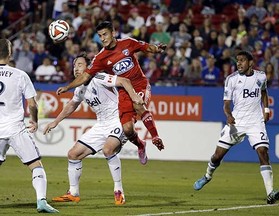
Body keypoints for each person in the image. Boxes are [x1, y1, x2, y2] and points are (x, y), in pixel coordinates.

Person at [44, 53, 144, 205]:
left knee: (108, 149)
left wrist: (135, 97)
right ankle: (73, 192)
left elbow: (124, 80)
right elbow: (72, 105)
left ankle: (119, 191)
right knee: (73, 154)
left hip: (118, 120)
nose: (76, 69)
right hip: (101, 124)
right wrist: (55, 122)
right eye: (74, 66)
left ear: (88, 66)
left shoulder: (99, 77)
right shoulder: (79, 89)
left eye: (79, 65)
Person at [56, 21, 165, 159]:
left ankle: (155, 137)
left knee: (138, 104)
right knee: (127, 129)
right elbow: (85, 76)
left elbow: (146, 47)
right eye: (100, 36)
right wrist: (67, 87)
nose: (103, 38)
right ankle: (140, 145)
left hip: (139, 84)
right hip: (122, 90)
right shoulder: (100, 58)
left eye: (105, 34)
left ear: (113, 33)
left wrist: (156, 49)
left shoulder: (128, 43)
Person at [193, 50, 279, 204]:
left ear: (250, 62)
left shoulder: (260, 76)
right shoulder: (231, 79)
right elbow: (226, 103)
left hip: (255, 122)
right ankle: (207, 176)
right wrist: (228, 115)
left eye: (242, 60)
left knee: (263, 152)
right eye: (237, 61)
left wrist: (266, 110)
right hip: (236, 122)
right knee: (217, 156)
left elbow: (264, 92)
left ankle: (270, 193)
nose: (238, 63)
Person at [0, 38, 58, 213]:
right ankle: (41, 201)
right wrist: (35, 120)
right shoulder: (20, 75)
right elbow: (32, 104)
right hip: (16, 128)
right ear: (10, 54)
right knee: (35, 164)